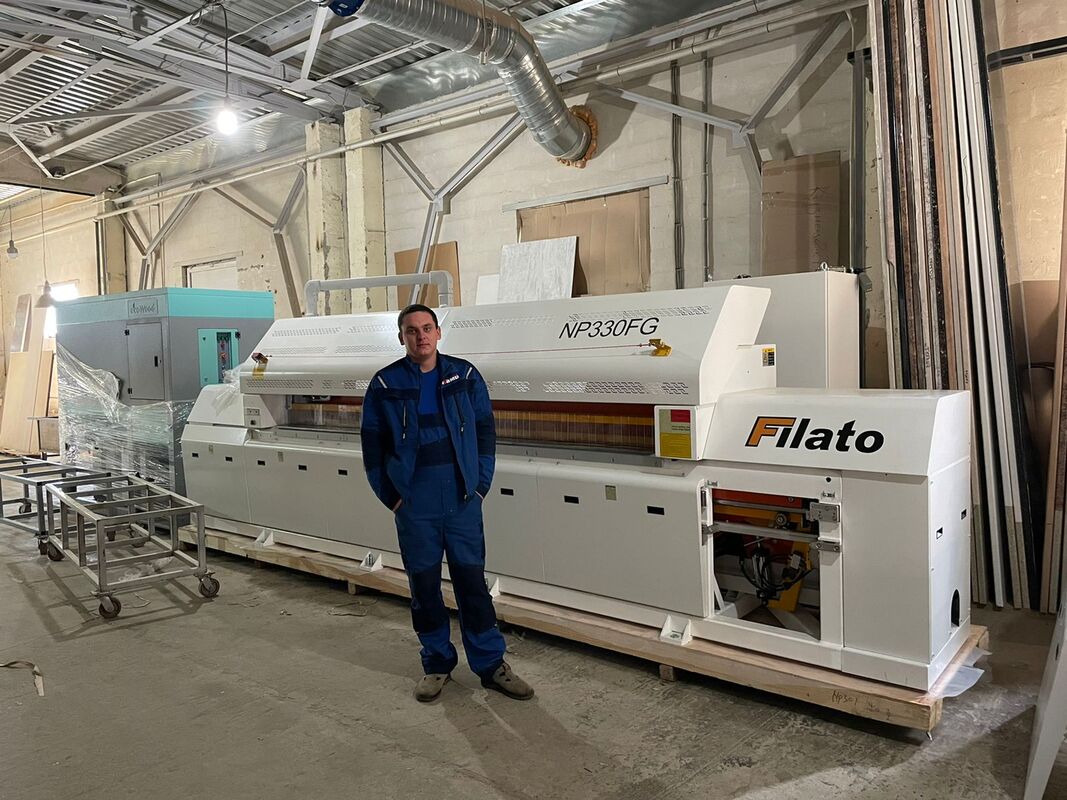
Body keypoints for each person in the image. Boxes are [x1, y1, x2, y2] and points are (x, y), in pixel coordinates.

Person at [360, 303, 535, 703]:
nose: (420, 336)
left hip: (461, 500)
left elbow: (486, 433)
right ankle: (437, 662)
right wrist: (393, 498)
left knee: (472, 585)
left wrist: (479, 486)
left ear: (438, 333)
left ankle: (491, 665)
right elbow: (372, 447)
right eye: (411, 330)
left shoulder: (465, 376)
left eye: (427, 328)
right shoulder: (385, 384)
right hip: (414, 505)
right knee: (424, 588)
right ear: (401, 337)